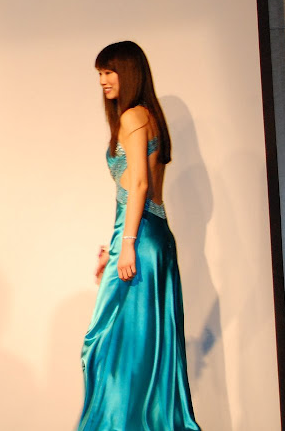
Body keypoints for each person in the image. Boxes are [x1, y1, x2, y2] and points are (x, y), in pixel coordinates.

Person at [78, 41, 200, 430]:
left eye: (109, 72)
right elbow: (131, 188)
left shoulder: (133, 116)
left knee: (111, 347)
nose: (103, 81)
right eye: (100, 74)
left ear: (128, 72)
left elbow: (140, 185)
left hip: (141, 238)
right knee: (137, 344)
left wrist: (127, 244)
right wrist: (114, 246)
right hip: (150, 236)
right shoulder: (148, 117)